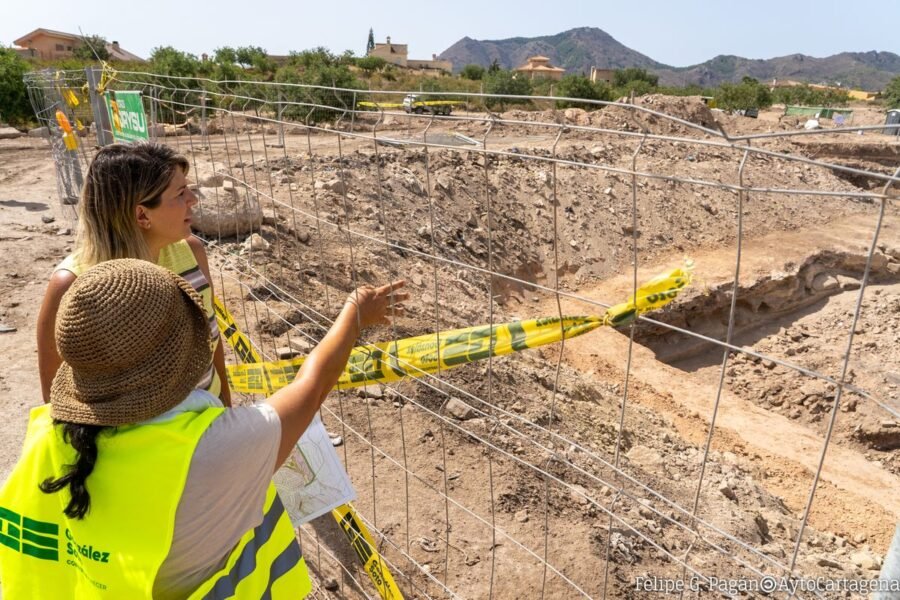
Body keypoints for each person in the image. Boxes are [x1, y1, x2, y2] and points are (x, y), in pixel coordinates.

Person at [0, 259, 407, 598]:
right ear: (184, 353)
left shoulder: (50, 432)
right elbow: (312, 384)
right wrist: (354, 315)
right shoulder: (218, 447)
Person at [37, 143, 232, 406]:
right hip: (138, 444)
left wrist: (226, 408)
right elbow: (56, 398)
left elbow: (210, 341)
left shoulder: (192, 252)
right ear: (142, 215)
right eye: (180, 193)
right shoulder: (71, 284)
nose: (193, 200)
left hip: (209, 424)